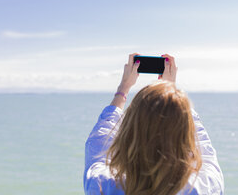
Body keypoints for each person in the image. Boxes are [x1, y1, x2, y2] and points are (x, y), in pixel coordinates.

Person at [83, 53, 224, 195]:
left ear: (128, 132)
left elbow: (99, 142)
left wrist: (123, 88)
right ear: (184, 135)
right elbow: (203, 146)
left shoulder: (102, 185)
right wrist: (172, 96)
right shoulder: (204, 187)